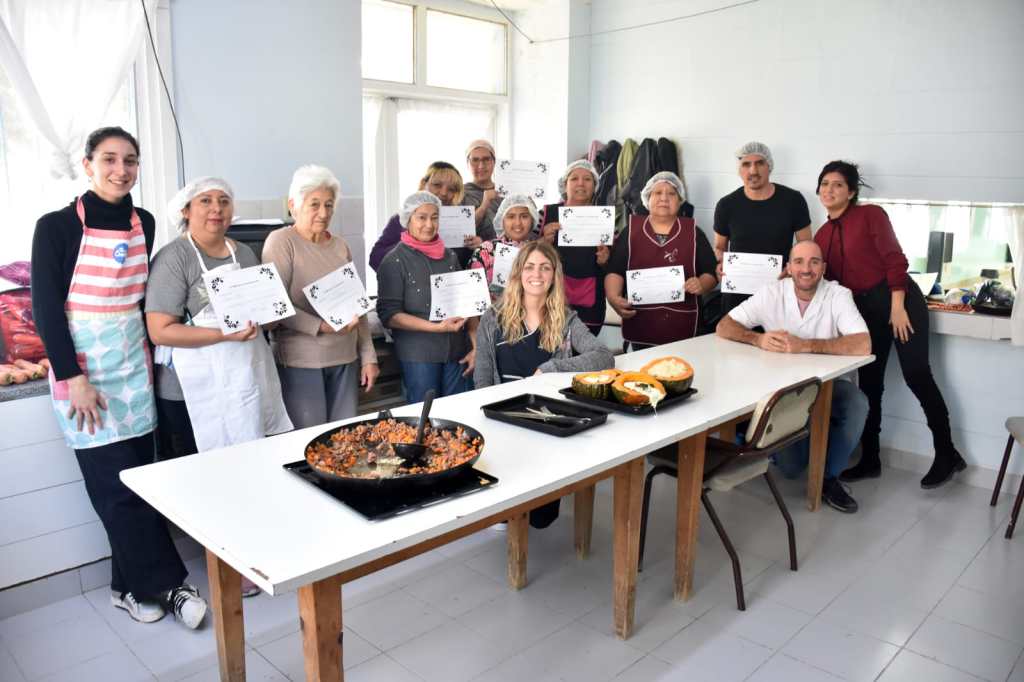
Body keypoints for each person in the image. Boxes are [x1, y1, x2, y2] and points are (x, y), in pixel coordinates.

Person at [30, 127, 207, 628]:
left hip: (134, 369)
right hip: (83, 376)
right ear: (88, 165)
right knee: (114, 490)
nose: (120, 169)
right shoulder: (57, 226)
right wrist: (72, 376)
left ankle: (125, 586)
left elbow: (141, 301)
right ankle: (171, 586)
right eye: (109, 159)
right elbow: (46, 311)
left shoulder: (144, 222)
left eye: (130, 160)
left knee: (140, 484)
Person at [145, 178, 292, 599]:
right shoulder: (174, 259)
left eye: (224, 201)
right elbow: (160, 330)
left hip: (243, 376)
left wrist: (268, 315)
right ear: (186, 211)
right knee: (212, 480)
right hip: (192, 391)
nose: (216, 209)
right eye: (205, 201)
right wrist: (223, 336)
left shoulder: (242, 252)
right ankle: (223, 561)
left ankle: (250, 551)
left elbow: (258, 310)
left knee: (247, 467)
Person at [813, 160, 964, 489]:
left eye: (838, 184)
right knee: (869, 385)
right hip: (865, 312)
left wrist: (897, 306)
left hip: (900, 301)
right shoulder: (821, 236)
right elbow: (825, 283)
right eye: (825, 183)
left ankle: (947, 454)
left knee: (916, 375)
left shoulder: (871, 216)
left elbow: (895, 258)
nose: (830, 190)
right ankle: (870, 459)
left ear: (851, 192)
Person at [716, 240, 871, 513]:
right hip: (783, 390)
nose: (806, 269)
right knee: (791, 469)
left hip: (828, 387)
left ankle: (828, 478)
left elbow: (862, 345)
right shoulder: (771, 292)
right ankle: (767, 444)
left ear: (823, 267)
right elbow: (724, 325)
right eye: (799, 262)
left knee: (857, 403)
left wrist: (807, 345)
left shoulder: (838, 295)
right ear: (788, 268)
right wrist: (757, 339)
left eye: (814, 262)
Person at [475, 240, 614, 526]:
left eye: (545, 268)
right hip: (506, 417)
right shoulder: (493, 317)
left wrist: (552, 367)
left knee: (541, 519)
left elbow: (603, 357)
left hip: (548, 420)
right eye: (529, 267)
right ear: (517, 273)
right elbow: (483, 376)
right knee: (505, 511)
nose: (536, 274)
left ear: (554, 276)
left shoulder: (566, 319)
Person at [261, 165, 379, 429]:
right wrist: (320, 326)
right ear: (293, 205)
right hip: (301, 361)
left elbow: (357, 306)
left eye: (329, 204)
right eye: (314, 204)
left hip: (345, 358)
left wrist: (368, 357)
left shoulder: (340, 245)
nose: (324, 213)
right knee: (308, 441)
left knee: (344, 440)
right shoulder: (281, 242)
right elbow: (275, 305)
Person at [376, 192, 477, 402]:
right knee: (424, 420)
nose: (429, 224)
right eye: (421, 217)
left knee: (459, 417)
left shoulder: (449, 256)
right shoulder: (394, 261)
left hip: (457, 352)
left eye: (434, 217)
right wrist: (436, 327)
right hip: (419, 356)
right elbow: (390, 315)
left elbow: (468, 302)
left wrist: (476, 346)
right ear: (407, 220)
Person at [605, 171, 718, 349]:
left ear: (680, 200)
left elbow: (711, 272)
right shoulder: (631, 231)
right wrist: (613, 297)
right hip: (641, 323)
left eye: (672, 193)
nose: (664, 198)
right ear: (647, 199)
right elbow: (615, 270)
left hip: (683, 325)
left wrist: (702, 284)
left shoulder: (693, 232)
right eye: (657, 193)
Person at [713, 142, 812, 316]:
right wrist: (721, 264)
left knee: (777, 341)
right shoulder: (726, 205)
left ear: (769, 167)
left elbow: (806, 246)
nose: (753, 170)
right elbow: (719, 247)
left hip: (779, 290)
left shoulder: (793, 200)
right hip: (737, 295)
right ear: (739, 170)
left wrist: (792, 269)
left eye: (759, 163)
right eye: (746, 164)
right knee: (733, 341)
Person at [538, 160, 611, 335]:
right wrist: (543, 242)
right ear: (565, 184)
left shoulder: (605, 216)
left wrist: (606, 260)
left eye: (587, 179)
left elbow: (615, 264)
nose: (580, 183)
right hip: (551, 295)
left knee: (584, 351)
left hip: (591, 302)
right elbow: (525, 253)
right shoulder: (546, 214)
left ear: (595, 186)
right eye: (574, 178)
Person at [368, 161, 473, 271]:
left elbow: (465, 268)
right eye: (437, 185)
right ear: (424, 184)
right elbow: (375, 260)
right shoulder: (401, 220)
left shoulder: (461, 223)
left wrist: (475, 248)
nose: (444, 193)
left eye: (451, 189)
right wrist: (411, 242)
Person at [468, 194, 538, 300]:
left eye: (524, 216)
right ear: (502, 220)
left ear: (532, 220)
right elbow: (472, 291)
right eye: (511, 216)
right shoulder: (485, 250)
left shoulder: (540, 251)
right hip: (492, 314)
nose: (518, 223)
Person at [461, 139, 501, 241]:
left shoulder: (505, 192)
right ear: (467, 163)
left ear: (494, 162)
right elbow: (460, 231)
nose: (481, 166)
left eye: (486, 159)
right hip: (470, 254)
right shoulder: (460, 193)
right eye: (475, 160)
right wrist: (484, 206)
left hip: (506, 252)